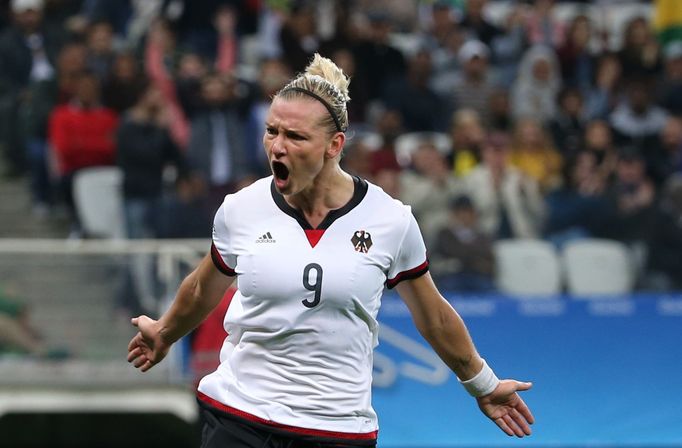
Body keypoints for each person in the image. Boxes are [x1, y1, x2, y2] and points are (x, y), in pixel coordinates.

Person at [127, 54, 534, 447]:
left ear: (334, 145)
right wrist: (165, 332)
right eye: (272, 131)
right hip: (240, 416)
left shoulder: (389, 220)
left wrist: (481, 383)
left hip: (337, 429)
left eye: (295, 136)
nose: (277, 147)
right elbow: (203, 287)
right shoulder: (241, 209)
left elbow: (434, 317)